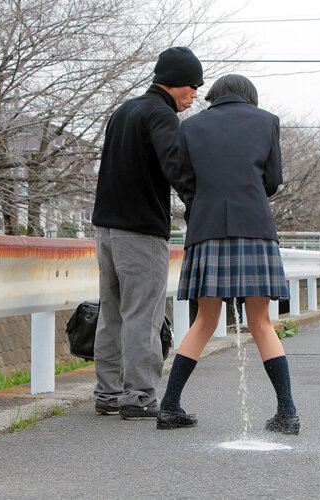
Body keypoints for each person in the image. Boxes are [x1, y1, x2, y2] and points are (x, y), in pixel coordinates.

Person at [157, 74, 299, 435]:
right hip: (254, 227)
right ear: (249, 96)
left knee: (204, 321)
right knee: (261, 322)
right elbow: (273, 180)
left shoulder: (191, 126)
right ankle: (287, 412)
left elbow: (184, 181)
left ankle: (169, 405)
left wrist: (205, 201)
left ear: (214, 95)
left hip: (207, 229)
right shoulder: (266, 121)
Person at [90, 47, 202, 420]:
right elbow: (177, 166)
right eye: (193, 85)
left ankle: (108, 393)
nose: (195, 94)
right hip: (140, 231)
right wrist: (197, 204)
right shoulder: (161, 114)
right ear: (176, 80)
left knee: (111, 313)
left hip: (106, 228)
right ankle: (138, 395)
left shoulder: (124, 110)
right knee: (143, 314)